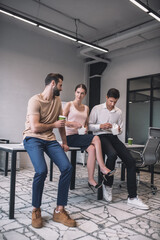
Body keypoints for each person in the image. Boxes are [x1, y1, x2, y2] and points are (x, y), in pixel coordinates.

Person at [23, 73, 76, 228]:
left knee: (67, 167)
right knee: (41, 171)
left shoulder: (57, 100)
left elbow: (61, 123)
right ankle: (36, 209)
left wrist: (65, 142)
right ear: (53, 83)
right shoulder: (35, 100)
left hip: (49, 139)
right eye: (60, 85)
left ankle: (59, 210)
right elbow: (35, 127)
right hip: (32, 137)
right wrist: (54, 125)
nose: (61, 88)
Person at [89, 88, 149, 210]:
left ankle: (132, 197)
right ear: (106, 97)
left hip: (113, 137)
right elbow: (89, 126)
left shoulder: (118, 112)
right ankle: (107, 185)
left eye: (114, 102)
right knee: (112, 155)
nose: (112, 104)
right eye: (111, 101)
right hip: (100, 136)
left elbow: (120, 127)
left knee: (131, 161)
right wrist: (101, 126)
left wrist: (118, 129)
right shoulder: (97, 108)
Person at [63, 84, 115, 192]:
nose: (79, 95)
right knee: (96, 138)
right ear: (75, 92)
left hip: (81, 136)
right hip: (70, 137)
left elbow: (86, 123)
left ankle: (91, 179)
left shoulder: (86, 108)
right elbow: (61, 122)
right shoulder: (69, 105)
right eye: (78, 92)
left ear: (85, 94)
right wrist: (73, 124)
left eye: (82, 93)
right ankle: (102, 167)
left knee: (92, 149)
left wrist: (85, 128)